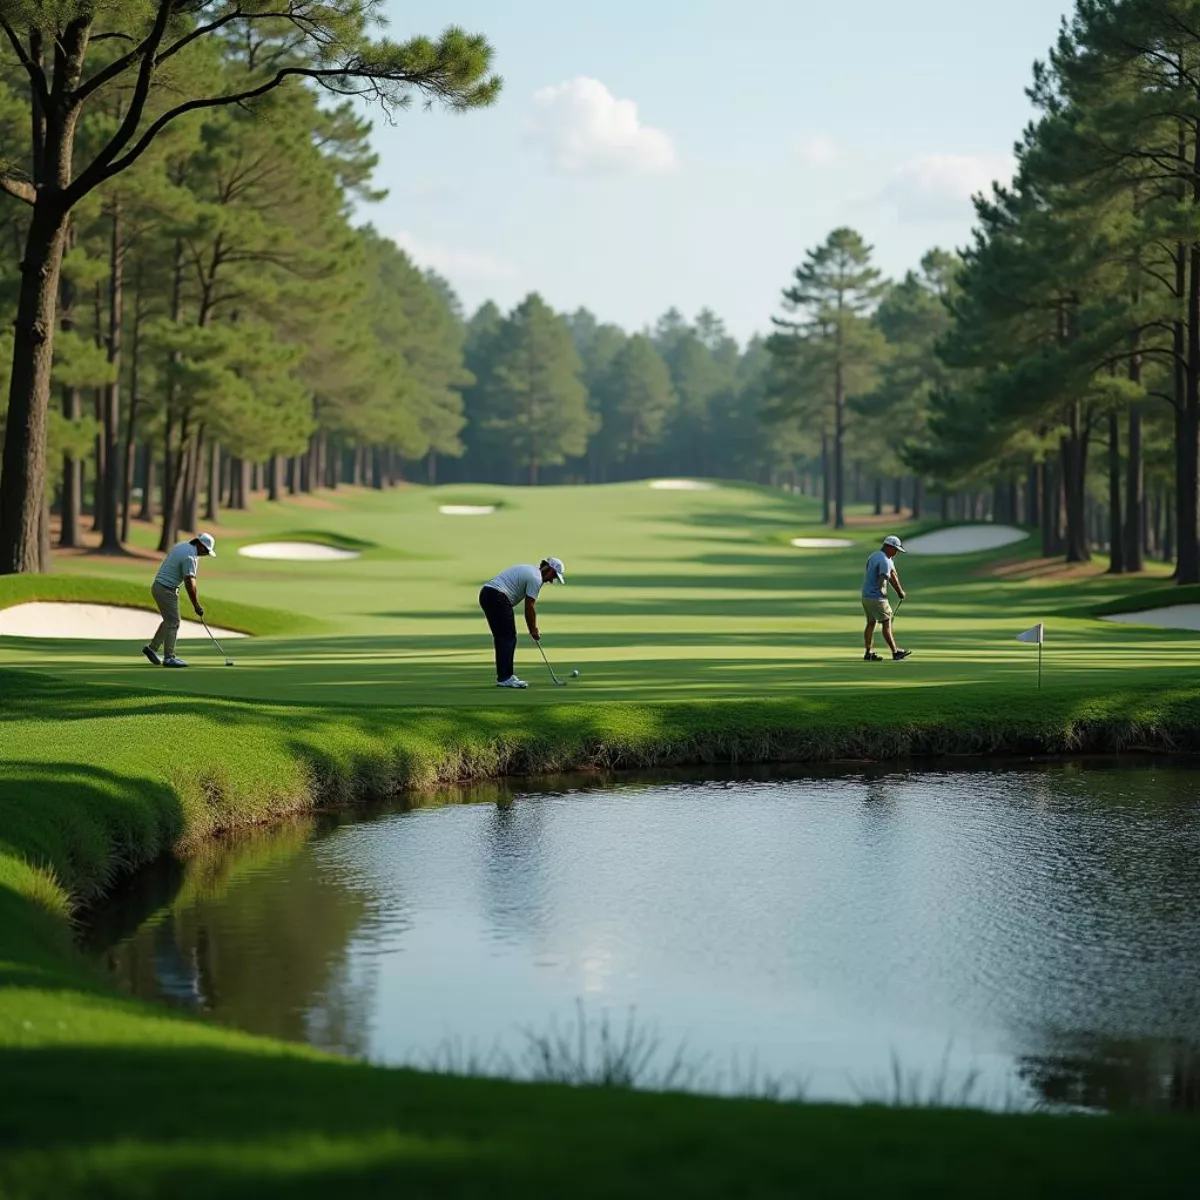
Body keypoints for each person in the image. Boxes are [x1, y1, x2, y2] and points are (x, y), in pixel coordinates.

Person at [479, 557, 566, 688]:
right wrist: (533, 629)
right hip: (497, 596)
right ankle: (505, 678)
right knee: (507, 637)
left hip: (487, 593)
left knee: (503, 636)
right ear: (548, 568)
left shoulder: (532, 571)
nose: (551, 580)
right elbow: (529, 607)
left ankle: (505, 676)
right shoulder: (535, 578)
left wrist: (532, 629)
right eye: (553, 575)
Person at [143, 533, 216, 668]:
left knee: (169, 621)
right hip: (166, 589)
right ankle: (169, 657)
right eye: (206, 551)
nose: (206, 554)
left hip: (158, 587)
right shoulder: (191, 557)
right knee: (174, 621)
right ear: (200, 545)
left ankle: (152, 648)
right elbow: (190, 583)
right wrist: (196, 605)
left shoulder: (182, 546)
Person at [861, 535, 911, 662]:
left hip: (866, 596)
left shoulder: (874, 556)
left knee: (871, 623)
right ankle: (895, 652)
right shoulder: (885, 560)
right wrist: (893, 592)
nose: (896, 552)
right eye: (895, 549)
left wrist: (900, 591)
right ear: (889, 547)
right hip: (877, 597)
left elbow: (892, 573)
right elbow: (884, 577)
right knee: (886, 622)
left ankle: (868, 652)